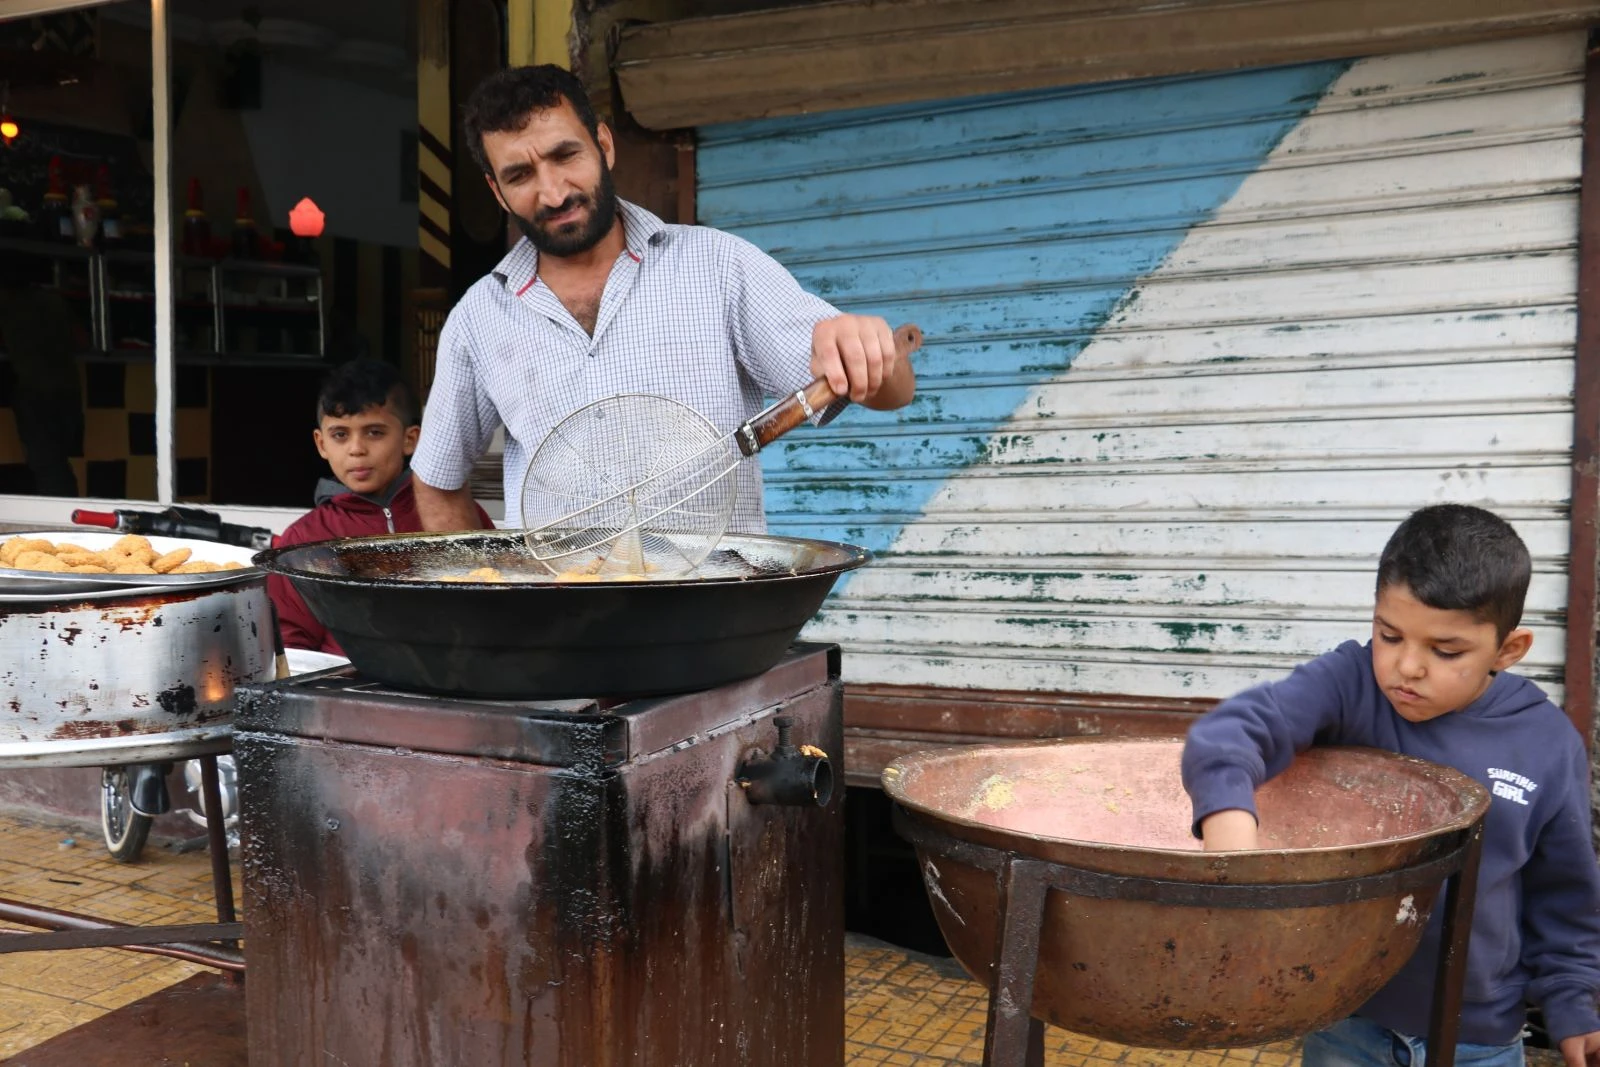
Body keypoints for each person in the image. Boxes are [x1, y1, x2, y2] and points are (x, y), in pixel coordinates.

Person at [410, 64, 917, 533]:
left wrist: (869, 348)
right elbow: (437, 478)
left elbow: (892, 391)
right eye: (519, 175)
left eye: (566, 155)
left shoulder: (718, 266)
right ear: (497, 192)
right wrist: (491, 603)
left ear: (604, 145)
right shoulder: (479, 317)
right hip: (561, 623)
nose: (553, 192)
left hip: (718, 615)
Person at [1182, 504, 1600, 1067]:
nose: (1407, 667)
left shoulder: (1547, 744)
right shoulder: (1349, 683)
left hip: (1478, 1035)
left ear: (1508, 650)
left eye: (1445, 651)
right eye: (1389, 634)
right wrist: (1232, 850)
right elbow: (1231, 733)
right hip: (1343, 1017)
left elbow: (1565, 896)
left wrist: (1576, 1008)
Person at [268, 359, 491, 653]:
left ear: (410, 439)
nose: (356, 449)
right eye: (340, 435)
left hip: (451, 682)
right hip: (346, 691)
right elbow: (290, 641)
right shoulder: (303, 539)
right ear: (321, 444)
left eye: (374, 432)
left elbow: (492, 608)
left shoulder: (453, 515)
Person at [0, 253, 84, 497]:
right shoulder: (54, 301)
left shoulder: (6, 303)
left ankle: (60, 517)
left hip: (34, 391)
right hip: (68, 390)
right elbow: (82, 340)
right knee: (58, 463)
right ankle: (65, 511)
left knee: (47, 465)